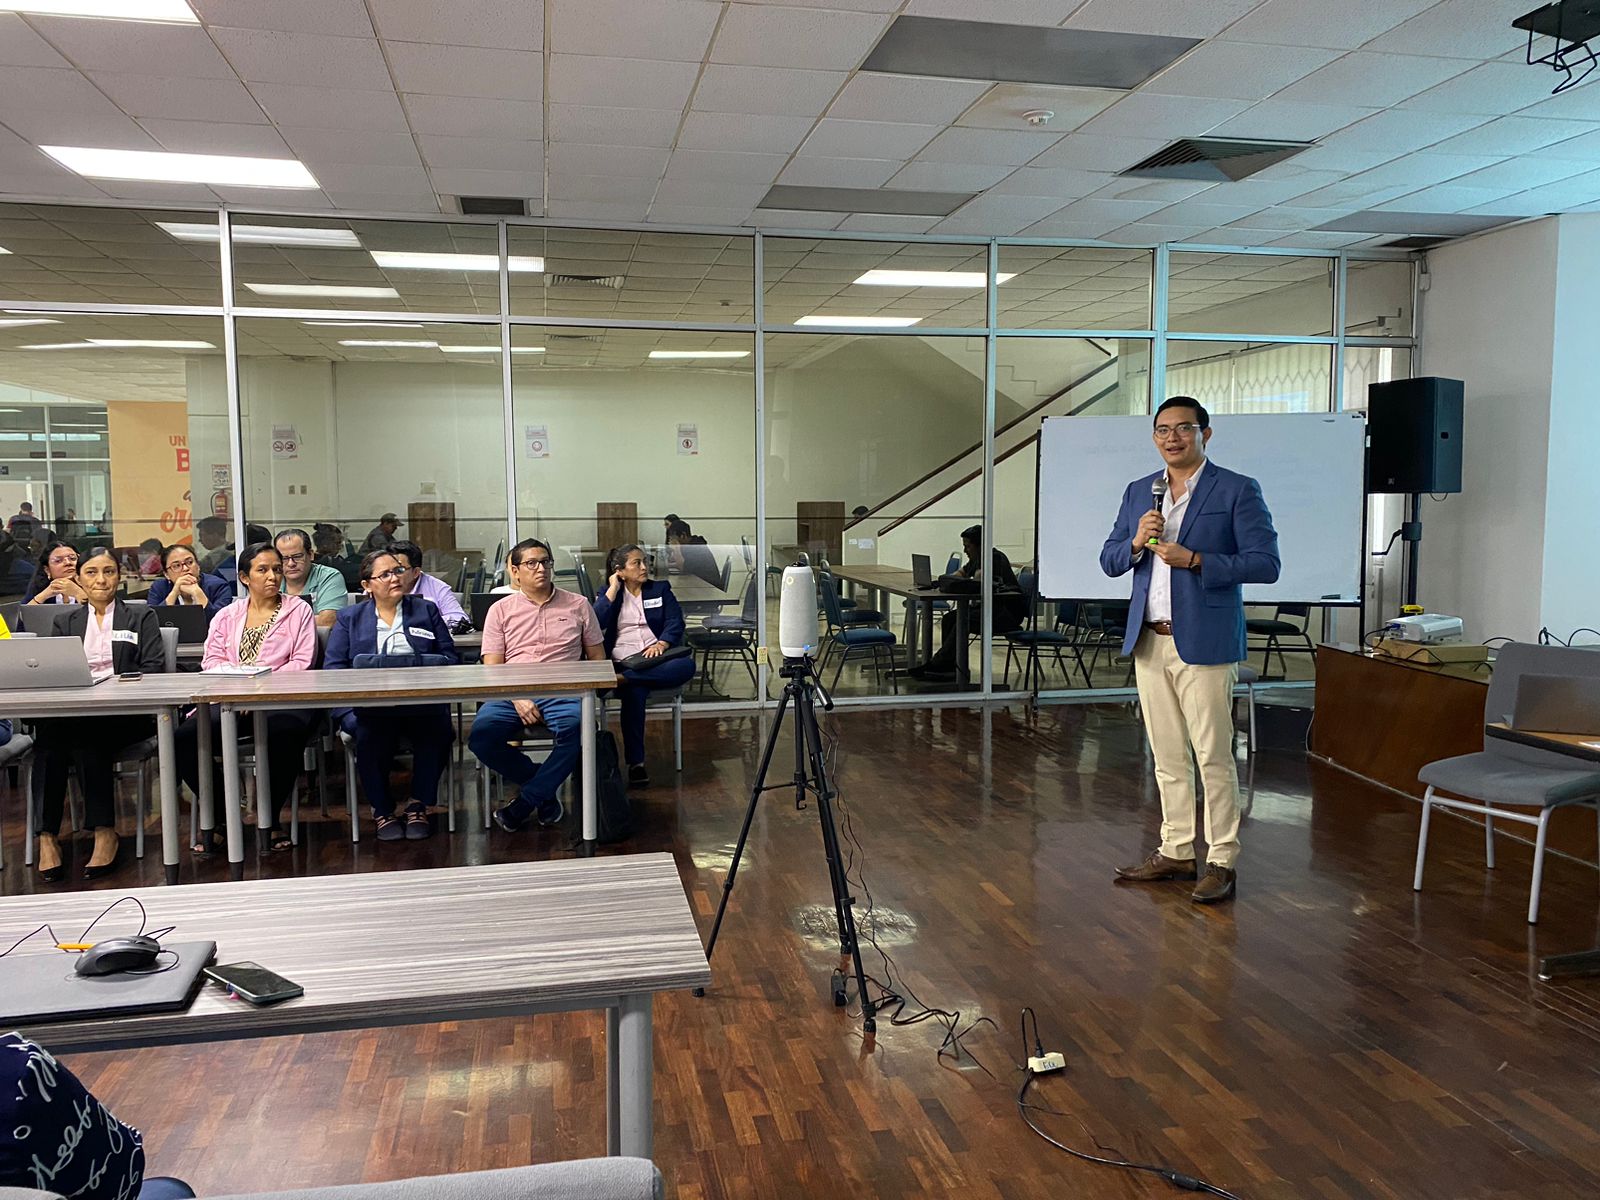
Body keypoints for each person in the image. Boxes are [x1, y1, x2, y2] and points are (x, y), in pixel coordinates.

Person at [1100, 397, 1280, 905]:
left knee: (1212, 755)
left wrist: (1197, 559)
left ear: (1205, 433)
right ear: (1154, 437)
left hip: (1204, 640)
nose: (1172, 437)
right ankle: (1176, 849)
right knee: (1166, 754)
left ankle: (1222, 858)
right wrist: (1137, 540)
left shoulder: (1237, 489)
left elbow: (1265, 564)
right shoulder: (1141, 491)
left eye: (1183, 428)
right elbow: (1111, 559)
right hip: (1148, 640)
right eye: (1162, 430)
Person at [30, 546, 166, 883]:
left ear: (119, 577)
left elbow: (154, 668)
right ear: (78, 577)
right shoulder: (66, 621)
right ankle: (46, 836)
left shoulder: (141, 616)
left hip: (126, 714)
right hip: (77, 711)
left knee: (87, 737)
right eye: (91, 572)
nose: (101, 579)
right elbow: (56, 672)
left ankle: (104, 831)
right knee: (46, 742)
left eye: (108, 571)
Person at [174, 542, 318, 853]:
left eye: (276, 569)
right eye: (262, 570)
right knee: (184, 737)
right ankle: (225, 817)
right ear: (244, 577)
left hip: (280, 700)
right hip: (229, 700)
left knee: (285, 732)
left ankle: (271, 817)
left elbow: (301, 662)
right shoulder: (227, 614)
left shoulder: (299, 610)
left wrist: (257, 691)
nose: (272, 576)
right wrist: (238, 691)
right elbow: (211, 660)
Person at [469, 537, 606, 832]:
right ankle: (542, 787)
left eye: (545, 562)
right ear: (515, 571)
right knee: (480, 736)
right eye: (531, 563)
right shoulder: (501, 610)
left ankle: (525, 802)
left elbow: (597, 657)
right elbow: (492, 665)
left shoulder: (579, 605)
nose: (540, 568)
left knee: (579, 730)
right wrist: (518, 697)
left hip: (565, 693)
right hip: (512, 693)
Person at [325, 550, 459, 840]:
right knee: (369, 734)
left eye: (398, 571)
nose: (395, 578)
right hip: (368, 708)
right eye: (384, 574)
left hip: (421, 705)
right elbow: (333, 670)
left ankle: (417, 804)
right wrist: (346, 713)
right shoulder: (350, 617)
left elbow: (449, 658)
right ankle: (382, 810)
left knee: (439, 732)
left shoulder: (426, 610)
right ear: (366, 585)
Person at [594, 543, 694, 787]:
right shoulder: (609, 592)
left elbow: (674, 621)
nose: (644, 567)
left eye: (645, 562)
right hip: (624, 660)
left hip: (655, 659)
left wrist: (662, 643)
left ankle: (625, 679)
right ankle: (636, 763)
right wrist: (612, 589)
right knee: (634, 695)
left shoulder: (660, 589)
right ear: (620, 570)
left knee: (686, 667)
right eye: (636, 563)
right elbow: (595, 622)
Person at [907, 525, 1027, 681]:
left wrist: (961, 580)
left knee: (962, 620)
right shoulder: (976, 559)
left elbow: (979, 581)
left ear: (980, 545)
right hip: (988, 611)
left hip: (1005, 614)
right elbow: (958, 575)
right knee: (950, 618)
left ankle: (939, 664)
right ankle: (949, 667)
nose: (965, 551)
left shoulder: (995, 558)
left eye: (968, 546)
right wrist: (947, 580)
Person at [275, 527, 350, 629]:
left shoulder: (328, 576)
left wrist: (277, 622)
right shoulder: (272, 578)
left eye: (297, 556)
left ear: (310, 554)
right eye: (284, 558)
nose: (291, 563)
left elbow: (327, 621)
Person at [388, 538, 469, 630]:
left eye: (399, 570)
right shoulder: (378, 584)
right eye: (387, 570)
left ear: (416, 572)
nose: (392, 576)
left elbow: (460, 618)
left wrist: (427, 621)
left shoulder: (437, 588)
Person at [146, 542, 232, 617]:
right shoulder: (159, 588)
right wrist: (174, 593)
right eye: (176, 566)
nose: (185, 568)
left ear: (198, 566)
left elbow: (221, 624)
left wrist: (198, 593)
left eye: (190, 562)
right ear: (166, 574)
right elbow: (153, 623)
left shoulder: (218, 586)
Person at [23, 539, 83, 605]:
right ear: (47, 570)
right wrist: (43, 596)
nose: (68, 563)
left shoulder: (91, 584)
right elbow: (21, 613)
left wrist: (78, 593)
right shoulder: (39, 588)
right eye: (58, 560)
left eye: (72, 558)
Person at [666, 519, 720, 587]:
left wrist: (676, 547)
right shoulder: (688, 545)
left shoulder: (696, 547)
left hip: (709, 587)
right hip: (699, 584)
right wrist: (666, 565)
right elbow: (678, 561)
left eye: (674, 538)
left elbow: (683, 567)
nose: (672, 541)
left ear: (683, 535)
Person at [315, 524, 361, 589]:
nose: (340, 547)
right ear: (325, 544)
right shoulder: (325, 562)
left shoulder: (330, 560)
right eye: (337, 543)